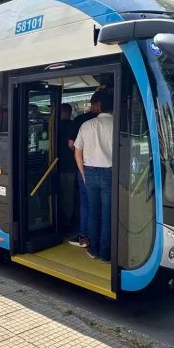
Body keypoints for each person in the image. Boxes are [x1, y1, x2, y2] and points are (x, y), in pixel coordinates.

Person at [74, 92, 113, 262]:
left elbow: (77, 153)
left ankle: (94, 250)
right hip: (109, 173)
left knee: (93, 212)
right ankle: (106, 254)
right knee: (107, 214)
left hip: (89, 171)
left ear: (98, 106)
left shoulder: (86, 125)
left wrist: (83, 173)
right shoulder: (117, 125)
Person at [67, 92, 101, 247]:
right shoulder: (114, 120)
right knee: (103, 205)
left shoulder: (81, 120)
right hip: (108, 170)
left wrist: (82, 158)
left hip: (86, 167)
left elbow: (71, 144)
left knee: (86, 203)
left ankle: (84, 236)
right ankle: (101, 237)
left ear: (92, 103)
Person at [57, 103, 76, 232]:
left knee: (57, 194)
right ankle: (67, 221)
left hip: (54, 166)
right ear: (70, 112)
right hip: (71, 166)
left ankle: (58, 220)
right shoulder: (74, 126)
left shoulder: (54, 125)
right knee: (68, 195)